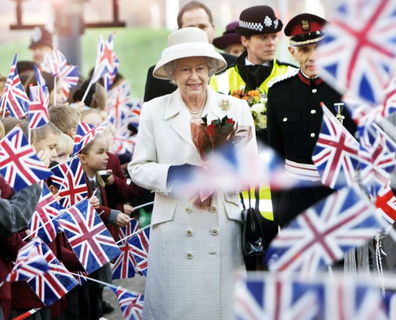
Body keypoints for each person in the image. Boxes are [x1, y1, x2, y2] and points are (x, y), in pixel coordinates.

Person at [129, 27, 256, 319]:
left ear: (211, 70)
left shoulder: (235, 108)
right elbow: (137, 169)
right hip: (175, 229)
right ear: (173, 73)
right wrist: (176, 175)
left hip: (221, 227)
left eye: (200, 67)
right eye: (185, 69)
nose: (194, 76)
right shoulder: (153, 110)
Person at [266, 13, 357, 228]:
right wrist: (279, 209)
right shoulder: (279, 92)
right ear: (292, 52)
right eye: (305, 50)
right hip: (295, 200)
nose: (313, 57)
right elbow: (275, 156)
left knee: (340, 261)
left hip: (339, 196)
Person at [143, 0, 237, 102]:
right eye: (190, 27)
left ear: (213, 29)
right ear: (179, 32)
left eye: (202, 26)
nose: (197, 32)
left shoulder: (235, 66)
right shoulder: (159, 76)